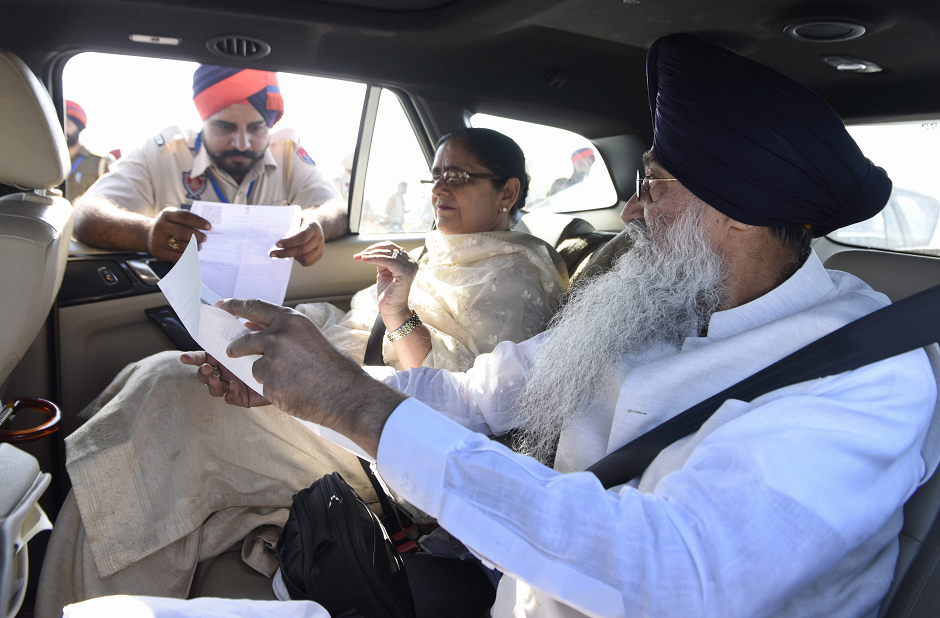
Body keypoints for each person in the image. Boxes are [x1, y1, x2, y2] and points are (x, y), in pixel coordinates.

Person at [183, 34, 938, 618]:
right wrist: (312, 387)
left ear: (737, 207)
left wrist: (355, 406)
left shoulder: (867, 377)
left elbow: (675, 574)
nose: (633, 212)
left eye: (653, 186)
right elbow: (480, 397)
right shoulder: (659, 302)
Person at [35, 128, 568, 616]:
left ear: (508, 193)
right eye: (437, 174)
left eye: (459, 176)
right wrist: (291, 333)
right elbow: (350, 323)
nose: (439, 189)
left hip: (377, 433)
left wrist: (396, 316)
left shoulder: (518, 277)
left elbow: (456, 412)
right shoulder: (442, 250)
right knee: (160, 373)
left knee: (169, 393)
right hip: (339, 378)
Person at [71, 65, 346, 266]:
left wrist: (316, 222)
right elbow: (85, 213)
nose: (241, 142)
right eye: (225, 126)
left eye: (256, 128)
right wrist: (146, 232)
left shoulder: (287, 157)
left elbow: (338, 209)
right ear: (204, 121)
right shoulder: (164, 153)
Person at [63, 100, 114, 202]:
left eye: (67, 123)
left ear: (78, 128)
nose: (63, 128)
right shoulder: (47, 161)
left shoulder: (100, 162)